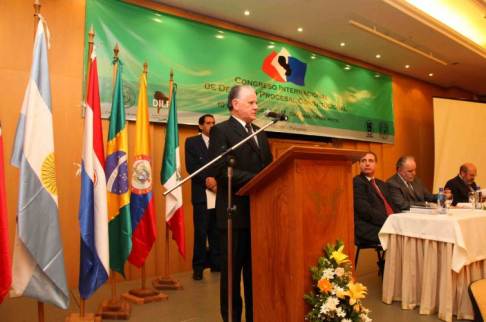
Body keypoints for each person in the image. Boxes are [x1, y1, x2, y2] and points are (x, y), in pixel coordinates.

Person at [208, 85, 273, 322]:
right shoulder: (221, 131)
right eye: (251, 103)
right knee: (232, 278)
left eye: (257, 103)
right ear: (235, 105)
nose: (257, 107)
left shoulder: (261, 132)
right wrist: (260, 179)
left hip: (258, 214)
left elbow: (270, 166)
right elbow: (220, 169)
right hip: (234, 216)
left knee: (255, 276)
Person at [185, 114, 220, 281]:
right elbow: (191, 167)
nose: (211, 126)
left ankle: (216, 264)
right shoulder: (192, 142)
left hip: (218, 193)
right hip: (202, 194)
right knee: (200, 232)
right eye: (208, 123)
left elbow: (223, 164)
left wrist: (217, 182)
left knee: (216, 231)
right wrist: (210, 182)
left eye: (213, 123)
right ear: (200, 126)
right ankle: (198, 267)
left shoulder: (220, 143)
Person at [353, 152, 399, 245]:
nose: (367, 164)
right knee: (402, 237)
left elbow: (392, 205)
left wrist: (399, 219)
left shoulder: (381, 183)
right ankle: (392, 260)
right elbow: (365, 210)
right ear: (359, 165)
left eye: (371, 161)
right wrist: (389, 221)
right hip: (369, 228)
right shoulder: (357, 181)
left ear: (376, 164)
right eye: (363, 161)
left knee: (411, 231)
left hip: (387, 224)